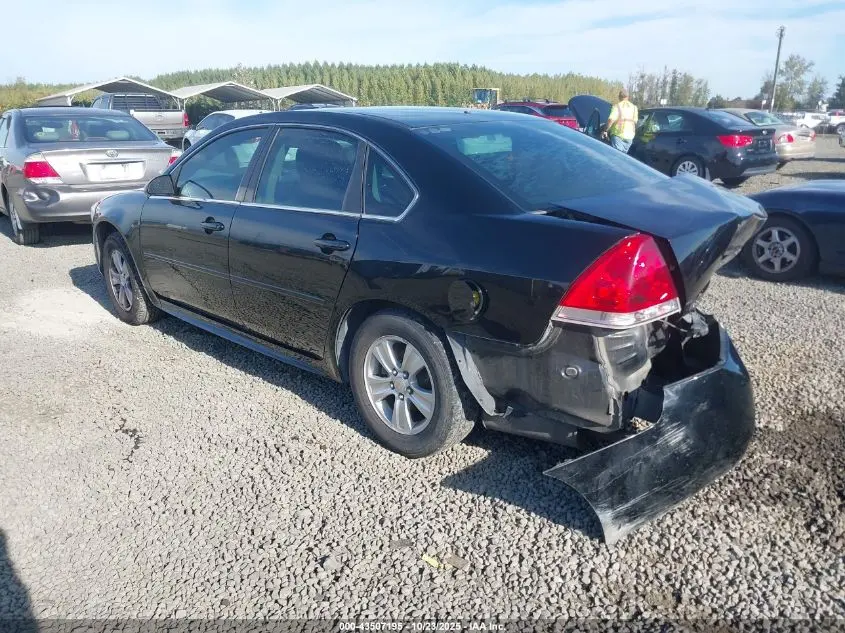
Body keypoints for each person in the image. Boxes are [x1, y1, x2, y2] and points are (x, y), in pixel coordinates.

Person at [603, 88, 638, 153]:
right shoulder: (634, 108)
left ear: (619, 97)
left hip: (618, 135)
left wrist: (605, 130)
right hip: (630, 137)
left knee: (617, 157)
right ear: (628, 97)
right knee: (623, 157)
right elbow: (635, 122)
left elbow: (611, 120)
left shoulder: (617, 106)